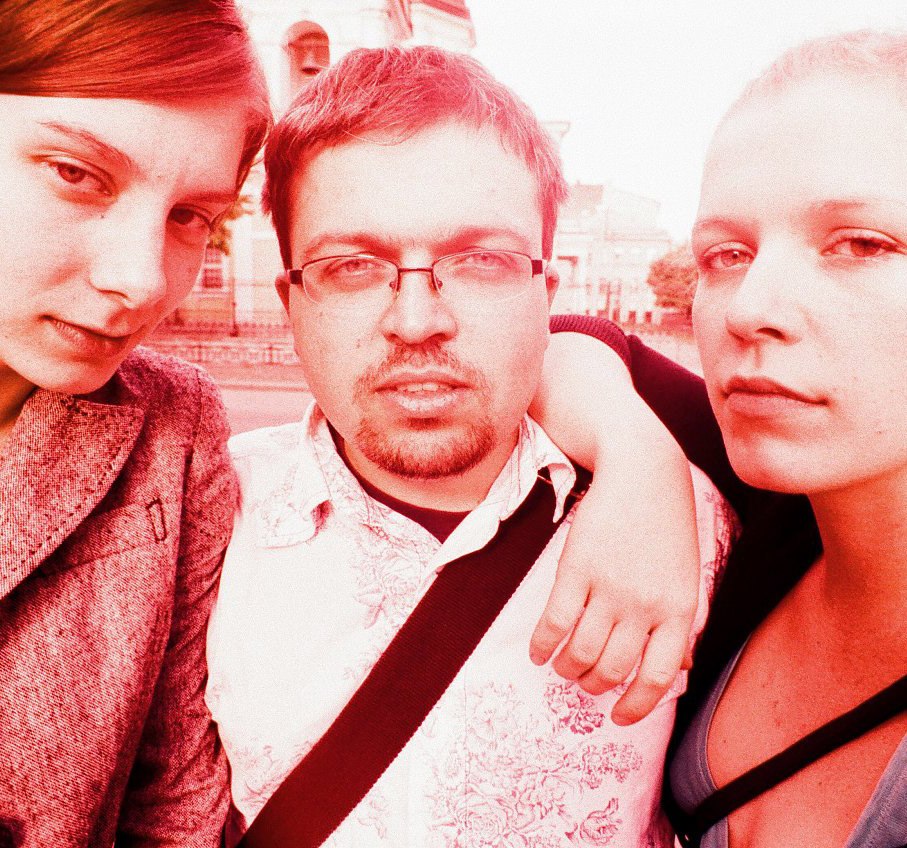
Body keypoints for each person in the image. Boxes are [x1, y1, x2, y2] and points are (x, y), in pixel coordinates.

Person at [205, 45, 735, 846]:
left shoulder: (696, 522)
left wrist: (641, 454)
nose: (416, 321)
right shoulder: (201, 520)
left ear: (545, 294)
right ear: (292, 303)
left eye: (480, 261)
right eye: (352, 266)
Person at [550, 29, 907, 848]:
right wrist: (638, 466)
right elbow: (571, 341)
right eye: (724, 254)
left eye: (859, 244)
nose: (747, 308)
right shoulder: (770, 511)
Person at [0, 1, 271, 844]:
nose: (143, 279)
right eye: (75, 173)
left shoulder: (171, 426)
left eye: (191, 216)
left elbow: (176, 794)